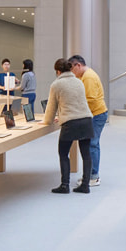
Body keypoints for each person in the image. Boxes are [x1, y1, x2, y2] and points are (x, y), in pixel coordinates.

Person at [43, 58, 93, 194]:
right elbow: (76, 103)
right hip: (86, 120)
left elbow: (51, 107)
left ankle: (65, 185)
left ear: (58, 71)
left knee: (63, 153)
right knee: (86, 154)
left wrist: (46, 121)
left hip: (70, 123)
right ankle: (85, 185)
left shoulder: (56, 84)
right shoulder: (79, 82)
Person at [70, 55, 108, 186]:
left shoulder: (88, 77)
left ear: (78, 65)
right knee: (91, 144)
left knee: (92, 144)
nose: (72, 73)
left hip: (96, 114)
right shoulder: (84, 76)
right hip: (94, 114)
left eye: (72, 69)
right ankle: (90, 174)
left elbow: (89, 99)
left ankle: (93, 176)